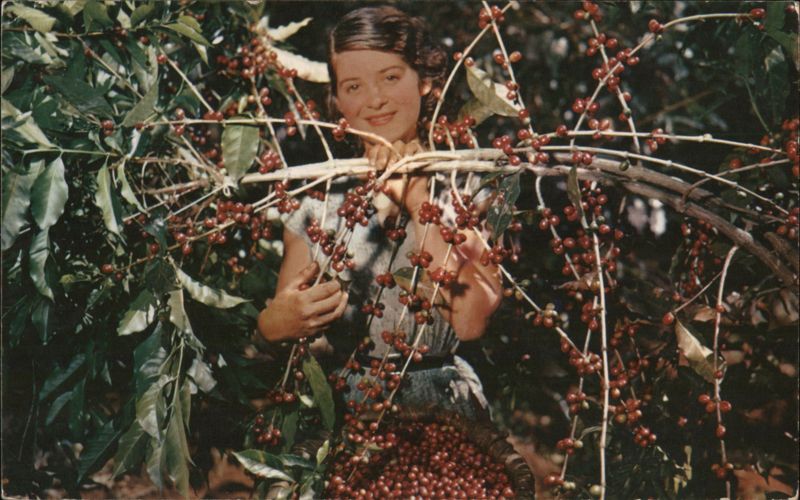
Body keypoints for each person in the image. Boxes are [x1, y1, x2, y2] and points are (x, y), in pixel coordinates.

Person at [257, 6, 502, 420]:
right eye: (353, 86)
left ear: (424, 81)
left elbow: (470, 321)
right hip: (350, 409)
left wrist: (418, 200)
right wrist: (275, 323)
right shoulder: (321, 200)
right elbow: (283, 314)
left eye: (391, 77)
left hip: (445, 412)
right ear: (337, 101)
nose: (375, 99)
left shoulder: (466, 188)